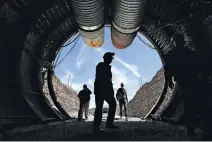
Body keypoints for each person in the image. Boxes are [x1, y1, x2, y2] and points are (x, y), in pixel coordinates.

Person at [164, 34, 202, 140]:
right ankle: (194, 127)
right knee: (194, 102)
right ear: (183, 41)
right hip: (193, 80)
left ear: (175, 42)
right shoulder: (191, 53)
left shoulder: (172, 54)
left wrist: (169, 80)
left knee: (188, 103)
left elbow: (168, 68)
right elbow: (199, 64)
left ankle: (191, 128)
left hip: (183, 81)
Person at [93, 52, 119, 133]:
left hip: (105, 90)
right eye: (111, 58)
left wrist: (111, 90)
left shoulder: (107, 67)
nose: (112, 59)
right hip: (101, 90)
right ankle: (97, 127)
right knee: (99, 108)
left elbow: (109, 81)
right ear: (106, 58)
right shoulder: (101, 65)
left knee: (112, 104)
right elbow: (102, 79)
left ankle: (108, 124)